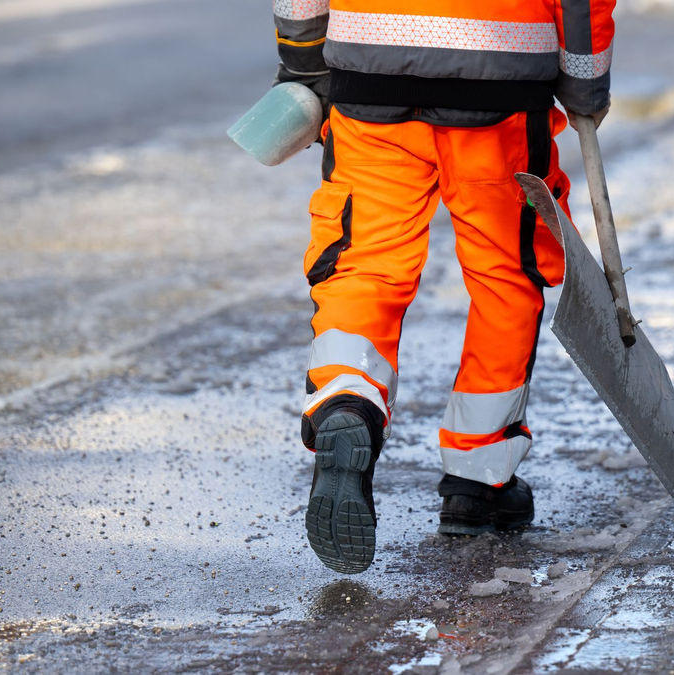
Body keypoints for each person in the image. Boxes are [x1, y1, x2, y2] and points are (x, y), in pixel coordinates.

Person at [273, 0, 615, 574]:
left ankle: (346, 400)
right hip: (500, 81)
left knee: (364, 263)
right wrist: (585, 85)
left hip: (369, 71)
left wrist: (305, 57)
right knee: (505, 274)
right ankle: (478, 478)